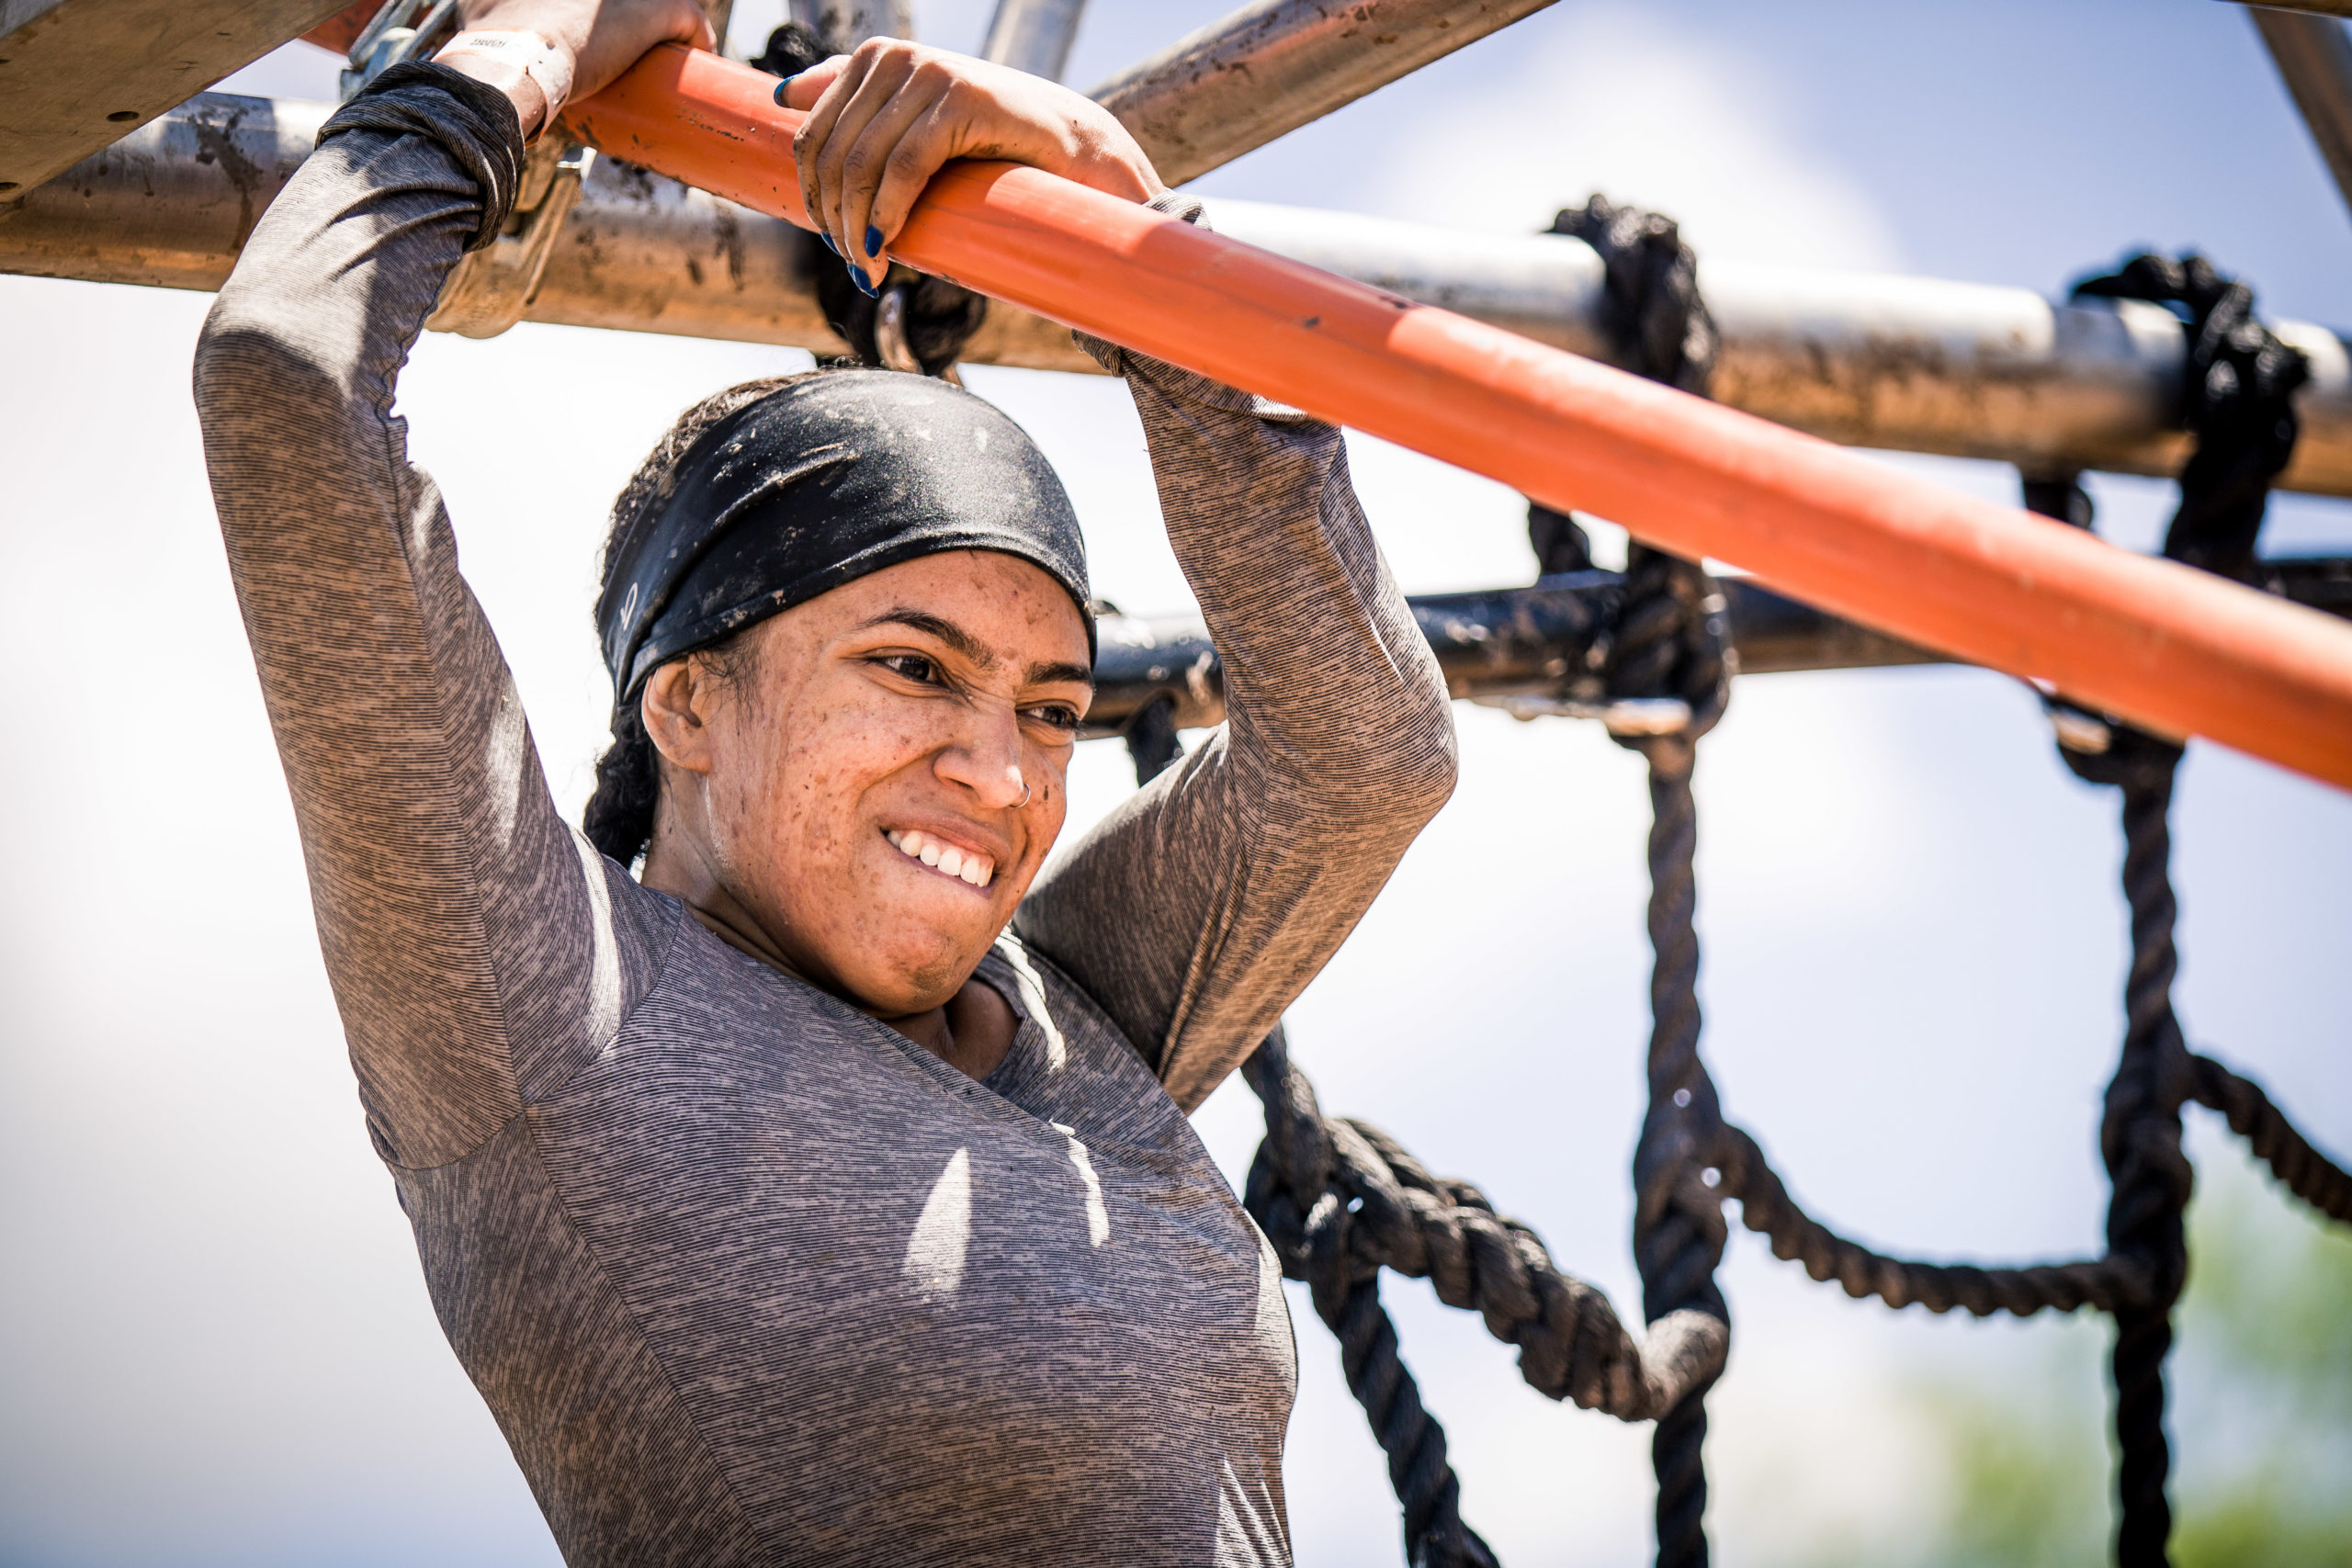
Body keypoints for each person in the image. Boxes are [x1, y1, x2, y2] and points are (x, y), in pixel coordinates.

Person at [193, 1, 1457, 1561]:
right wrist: (515, 57)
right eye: (915, 670)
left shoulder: (1066, 1011)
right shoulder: (548, 1019)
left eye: (1051, 708)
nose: (999, 773)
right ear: (689, 703)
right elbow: (286, 383)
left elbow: (1365, 757)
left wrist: (1112, 205)